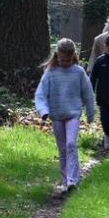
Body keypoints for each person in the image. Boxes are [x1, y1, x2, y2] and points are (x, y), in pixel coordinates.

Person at [35, 38, 95, 193]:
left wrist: (90, 113)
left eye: (67, 60)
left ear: (73, 56)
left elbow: (88, 93)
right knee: (62, 149)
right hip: (56, 115)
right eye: (62, 60)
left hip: (73, 114)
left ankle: (72, 180)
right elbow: (40, 94)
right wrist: (43, 111)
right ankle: (65, 180)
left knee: (71, 145)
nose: (65, 63)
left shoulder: (78, 72)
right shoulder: (50, 73)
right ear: (57, 56)